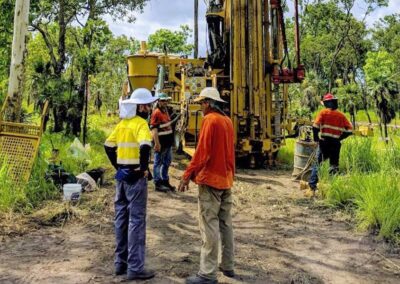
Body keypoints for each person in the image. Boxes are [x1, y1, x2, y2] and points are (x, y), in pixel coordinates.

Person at [178, 87, 235, 284]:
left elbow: (202, 153)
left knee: (209, 225)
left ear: (208, 103)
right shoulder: (227, 121)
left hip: (211, 180)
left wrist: (187, 175)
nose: (201, 107)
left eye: (202, 103)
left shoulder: (210, 120)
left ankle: (208, 273)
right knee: (225, 224)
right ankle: (228, 265)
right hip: (226, 180)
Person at [104, 88, 157, 280]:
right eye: (148, 105)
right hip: (135, 178)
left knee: (121, 219)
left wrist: (118, 166)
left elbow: (108, 145)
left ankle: (120, 264)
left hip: (122, 177)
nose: (150, 108)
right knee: (136, 221)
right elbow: (145, 145)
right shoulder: (141, 124)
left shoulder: (122, 124)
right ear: (141, 106)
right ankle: (135, 268)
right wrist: (143, 168)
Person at [308, 93, 353, 192]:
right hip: (335, 144)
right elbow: (350, 131)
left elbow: (315, 127)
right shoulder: (341, 115)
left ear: (326, 103)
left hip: (324, 142)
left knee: (318, 163)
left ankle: (312, 186)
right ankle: (333, 186)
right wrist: (339, 138)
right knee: (334, 165)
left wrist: (316, 139)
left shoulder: (323, 113)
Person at [150, 93, 176, 192]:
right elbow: (154, 130)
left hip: (167, 143)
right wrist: (157, 143)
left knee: (167, 161)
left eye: (166, 100)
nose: (165, 102)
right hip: (161, 143)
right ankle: (158, 183)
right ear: (158, 101)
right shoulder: (156, 113)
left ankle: (165, 180)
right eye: (163, 101)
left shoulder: (165, 111)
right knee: (158, 162)